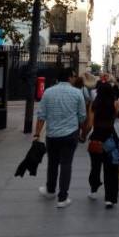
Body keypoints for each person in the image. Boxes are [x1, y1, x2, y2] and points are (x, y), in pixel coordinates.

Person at [34, 68, 86, 208]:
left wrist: (37, 134)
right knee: (66, 164)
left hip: (52, 135)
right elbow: (82, 116)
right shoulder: (77, 93)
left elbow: (41, 116)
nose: (75, 78)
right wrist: (81, 131)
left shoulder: (48, 92)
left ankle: (50, 190)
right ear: (69, 77)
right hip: (70, 134)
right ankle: (63, 198)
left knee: (52, 163)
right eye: (74, 76)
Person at [87, 82, 119, 208]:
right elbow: (118, 115)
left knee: (95, 166)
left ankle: (94, 190)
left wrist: (83, 135)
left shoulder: (94, 104)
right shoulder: (115, 103)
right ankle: (110, 198)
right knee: (112, 168)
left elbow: (90, 124)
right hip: (111, 138)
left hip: (97, 137)